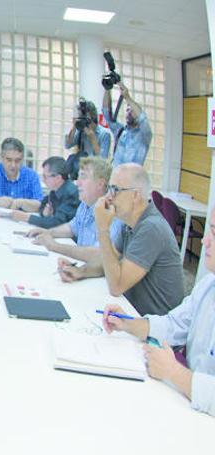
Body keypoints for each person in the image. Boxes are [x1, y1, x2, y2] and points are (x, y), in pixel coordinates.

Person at [100, 208, 215, 416]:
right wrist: (129, 323)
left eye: (214, 233)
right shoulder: (209, 285)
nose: (204, 241)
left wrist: (174, 372)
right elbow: (175, 324)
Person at [58, 164, 183, 316]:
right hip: (133, 312)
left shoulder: (151, 228)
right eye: (110, 189)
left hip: (156, 328)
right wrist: (81, 271)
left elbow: (116, 286)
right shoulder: (129, 222)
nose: (109, 197)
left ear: (136, 195)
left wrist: (103, 229)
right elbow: (109, 260)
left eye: (115, 190)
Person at [27, 156, 123, 262]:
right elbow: (72, 227)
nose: (77, 182)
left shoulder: (113, 212)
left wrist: (54, 246)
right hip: (82, 266)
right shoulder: (85, 204)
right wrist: (47, 232)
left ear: (100, 184)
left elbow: (100, 255)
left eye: (83, 177)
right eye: (78, 177)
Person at [10, 157, 79, 228]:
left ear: (58, 178)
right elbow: (42, 205)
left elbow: (57, 223)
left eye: (45, 176)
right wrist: (44, 212)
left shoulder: (72, 194)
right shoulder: (55, 190)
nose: (43, 180)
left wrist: (27, 218)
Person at [103, 81, 153, 167]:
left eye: (132, 110)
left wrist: (128, 98)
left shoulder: (144, 135)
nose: (129, 112)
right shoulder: (120, 131)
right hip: (114, 177)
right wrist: (107, 89)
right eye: (127, 110)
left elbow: (143, 119)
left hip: (131, 179)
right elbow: (106, 113)